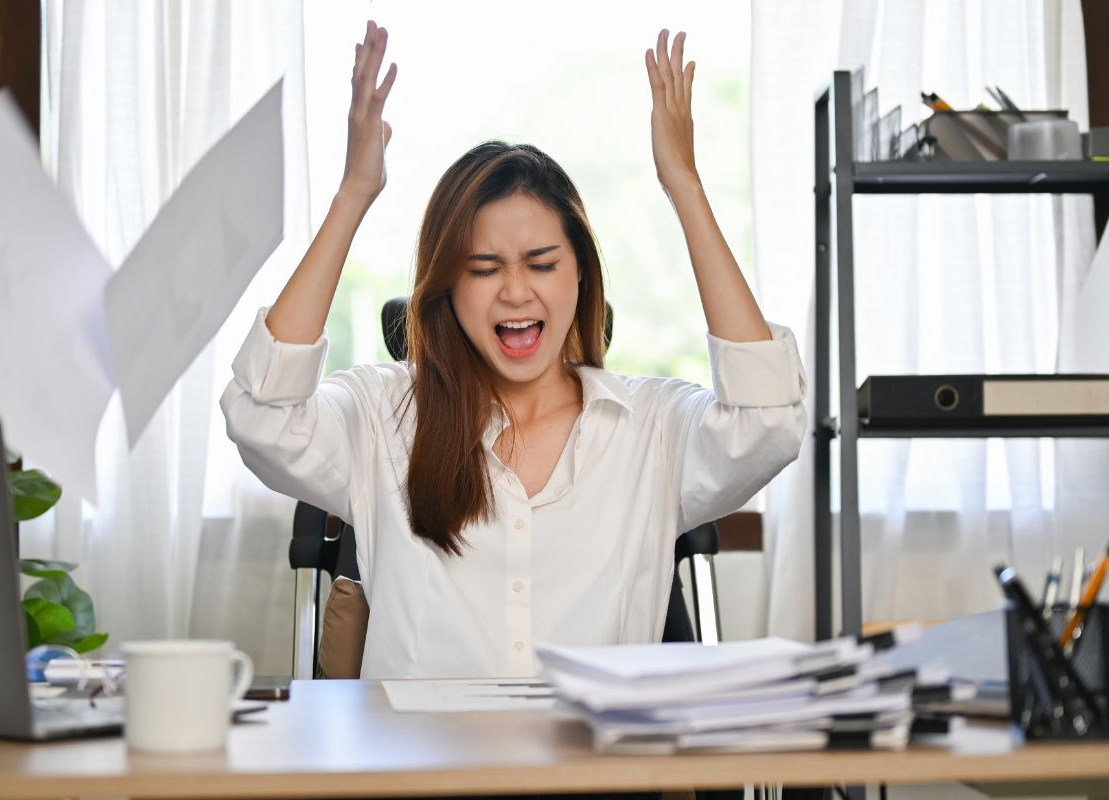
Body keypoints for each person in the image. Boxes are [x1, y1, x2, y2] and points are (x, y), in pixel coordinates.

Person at [221, 21, 807, 680]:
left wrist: (686, 187)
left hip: (594, 778)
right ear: (446, 286)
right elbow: (261, 414)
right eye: (483, 267)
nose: (515, 292)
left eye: (541, 262)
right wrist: (352, 194)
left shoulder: (651, 429)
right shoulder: (381, 418)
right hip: (426, 778)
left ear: (579, 273)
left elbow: (768, 423)